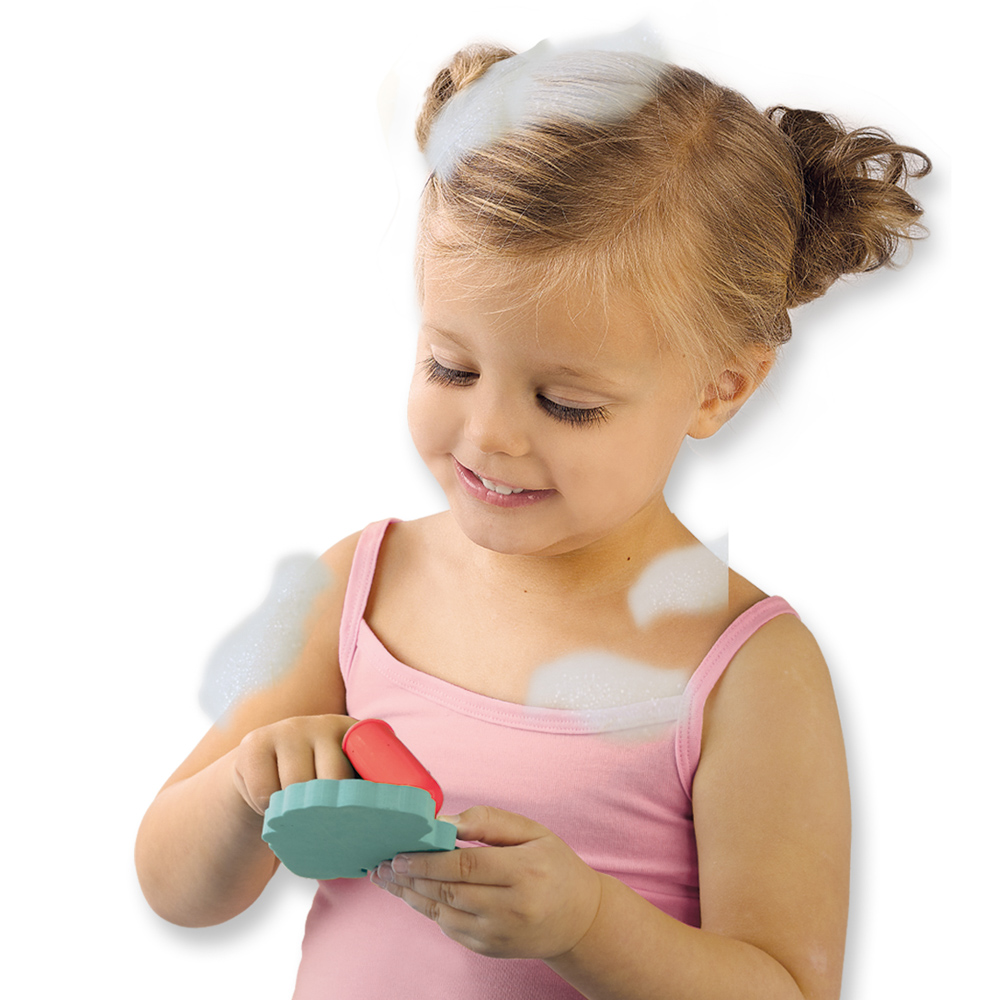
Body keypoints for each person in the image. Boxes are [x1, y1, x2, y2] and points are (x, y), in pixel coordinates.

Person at [135, 34, 930, 1000]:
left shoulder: (745, 670)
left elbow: (788, 990)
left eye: (567, 403)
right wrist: (244, 789)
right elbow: (173, 887)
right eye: (451, 367)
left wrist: (587, 927)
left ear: (720, 388)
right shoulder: (361, 585)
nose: (489, 435)